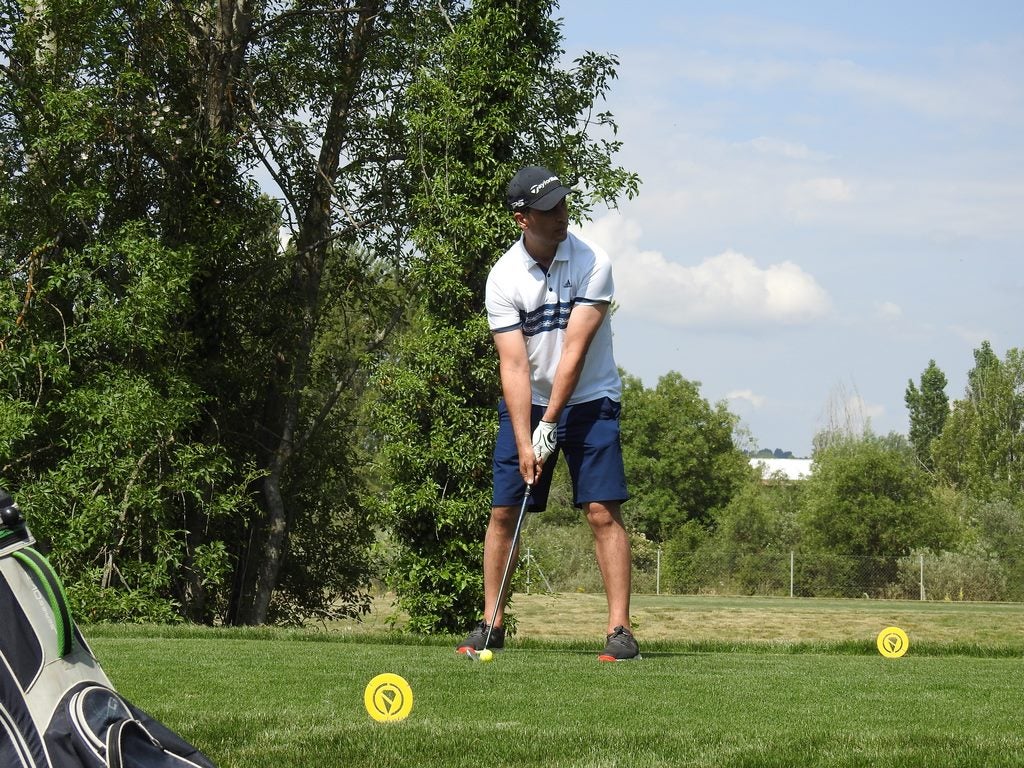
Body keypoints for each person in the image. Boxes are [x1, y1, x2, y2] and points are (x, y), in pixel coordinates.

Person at [457, 165, 640, 662]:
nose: (561, 215)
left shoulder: (593, 261)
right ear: (522, 218)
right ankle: (491, 623)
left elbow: (575, 352)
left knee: (602, 510)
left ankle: (620, 631)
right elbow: (514, 365)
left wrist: (550, 424)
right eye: (548, 209)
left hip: (591, 399)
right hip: (529, 401)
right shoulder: (503, 278)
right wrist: (525, 439)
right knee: (504, 511)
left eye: (562, 204)